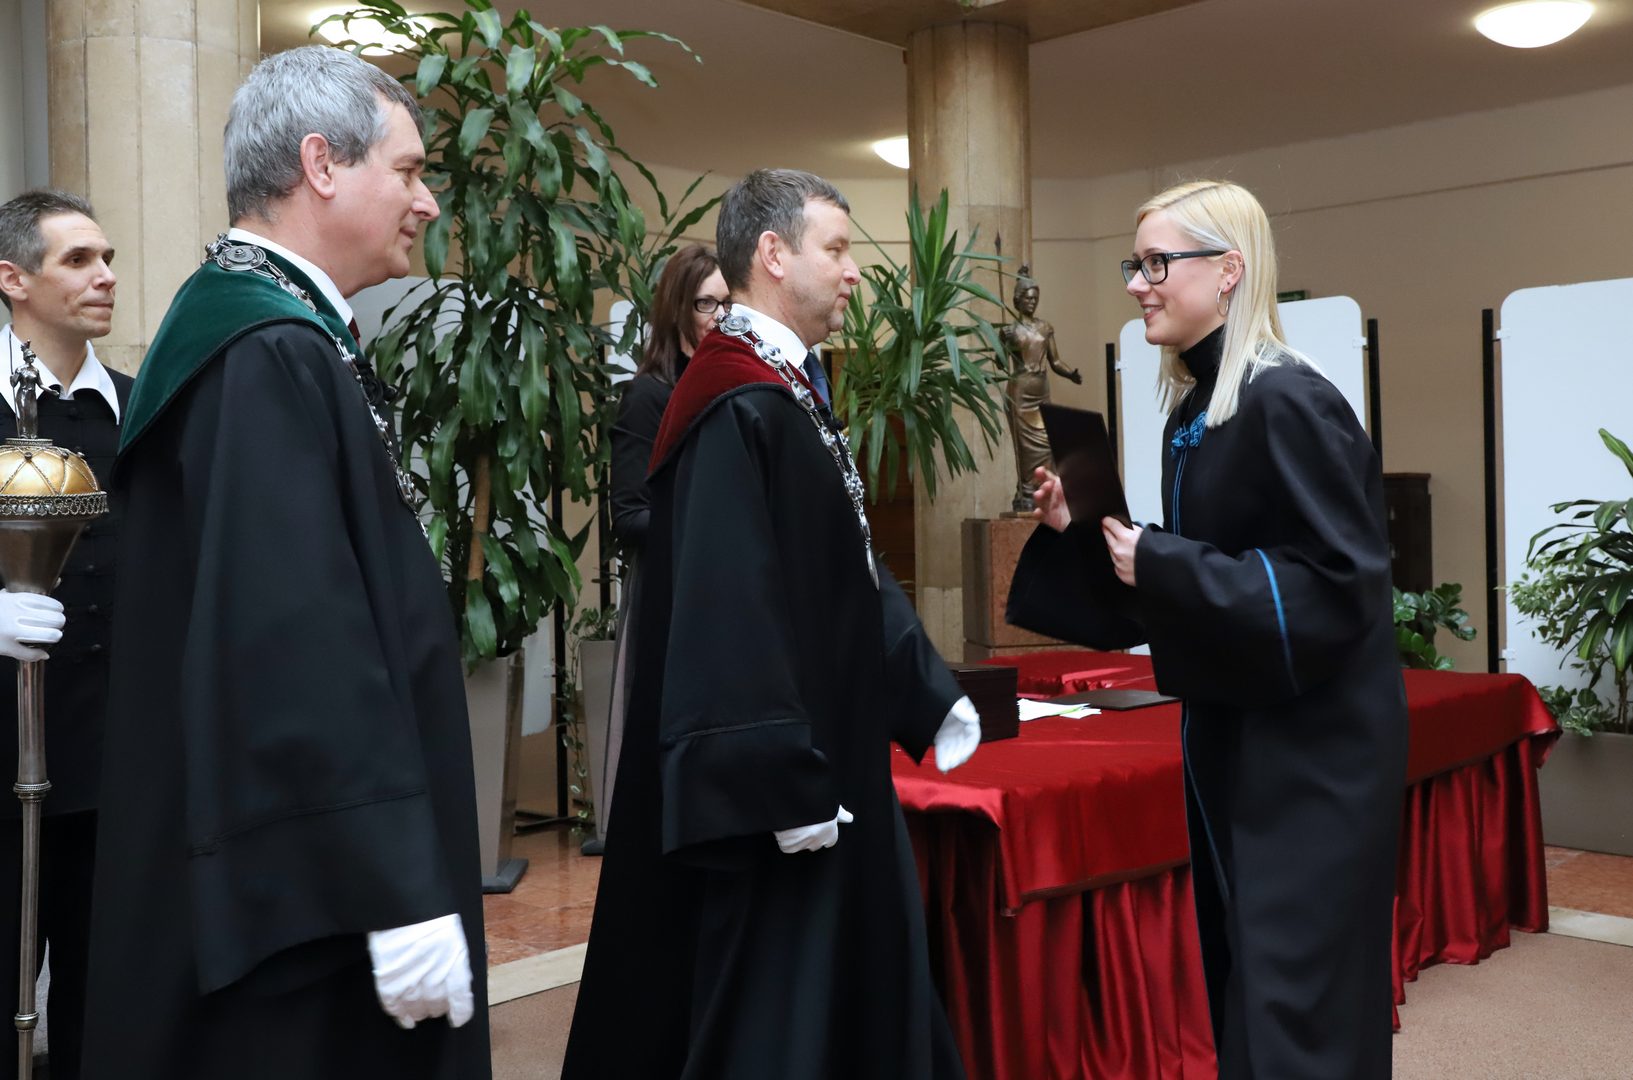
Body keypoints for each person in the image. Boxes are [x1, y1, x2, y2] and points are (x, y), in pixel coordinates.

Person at [80, 47, 490, 1080]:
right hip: (314, 905)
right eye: (408, 169)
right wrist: (393, 887)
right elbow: (296, 637)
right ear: (321, 164)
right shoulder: (264, 349)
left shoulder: (281, 333)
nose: (427, 202)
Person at [563, 168, 979, 1080]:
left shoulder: (783, 388)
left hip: (827, 758)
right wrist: (775, 777)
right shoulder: (733, 398)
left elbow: (842, 558)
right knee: (774, 1013)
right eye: (837, 249)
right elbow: (728, 604)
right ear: (774, 254)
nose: (853, 271)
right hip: (783, 795)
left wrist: (923, 689)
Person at [1008, 179, 1406, 1079]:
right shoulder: (1196, 408)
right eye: (1134, 263)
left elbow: (1341, 584)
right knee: (1248, 970)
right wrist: (1089, 532)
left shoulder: (1287, 398)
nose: (1136, 284)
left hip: (1314, 750)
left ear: (1228, 270)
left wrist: (1161, 561)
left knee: (1296, 990)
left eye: (1157, 263)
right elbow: (1198, 573)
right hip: (1241, 733)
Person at [0, 189, 129, 1080]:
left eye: (107, 257)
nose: (105, 276)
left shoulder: (138, 406)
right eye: (78, 260)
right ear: (13, 279)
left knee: (104, 1000)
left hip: (114, 759)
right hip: (3, 756)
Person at [586, 245, 729, 853]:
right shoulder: (648, 395)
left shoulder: (736, 387)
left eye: (728, 304)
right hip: (671, 599)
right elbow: (628, 516)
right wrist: (709, 527)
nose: (720, 317)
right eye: (706, 304)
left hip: (726, 598)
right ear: (676, 310)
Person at [999, 264, 1081, 510]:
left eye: (1035, 298)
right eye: (1028, 298)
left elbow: (1055, 362)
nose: (1032, 302)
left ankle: (1043, 489)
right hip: (1020, 391)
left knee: (1047, 441)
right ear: (1018, 300)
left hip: (1041, 391)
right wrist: (1002, 343)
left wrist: (1071, 374)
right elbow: (1000, 364)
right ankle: (1026, 491)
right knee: (1025, 449)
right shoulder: (1011, 330)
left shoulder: (1045, 327)